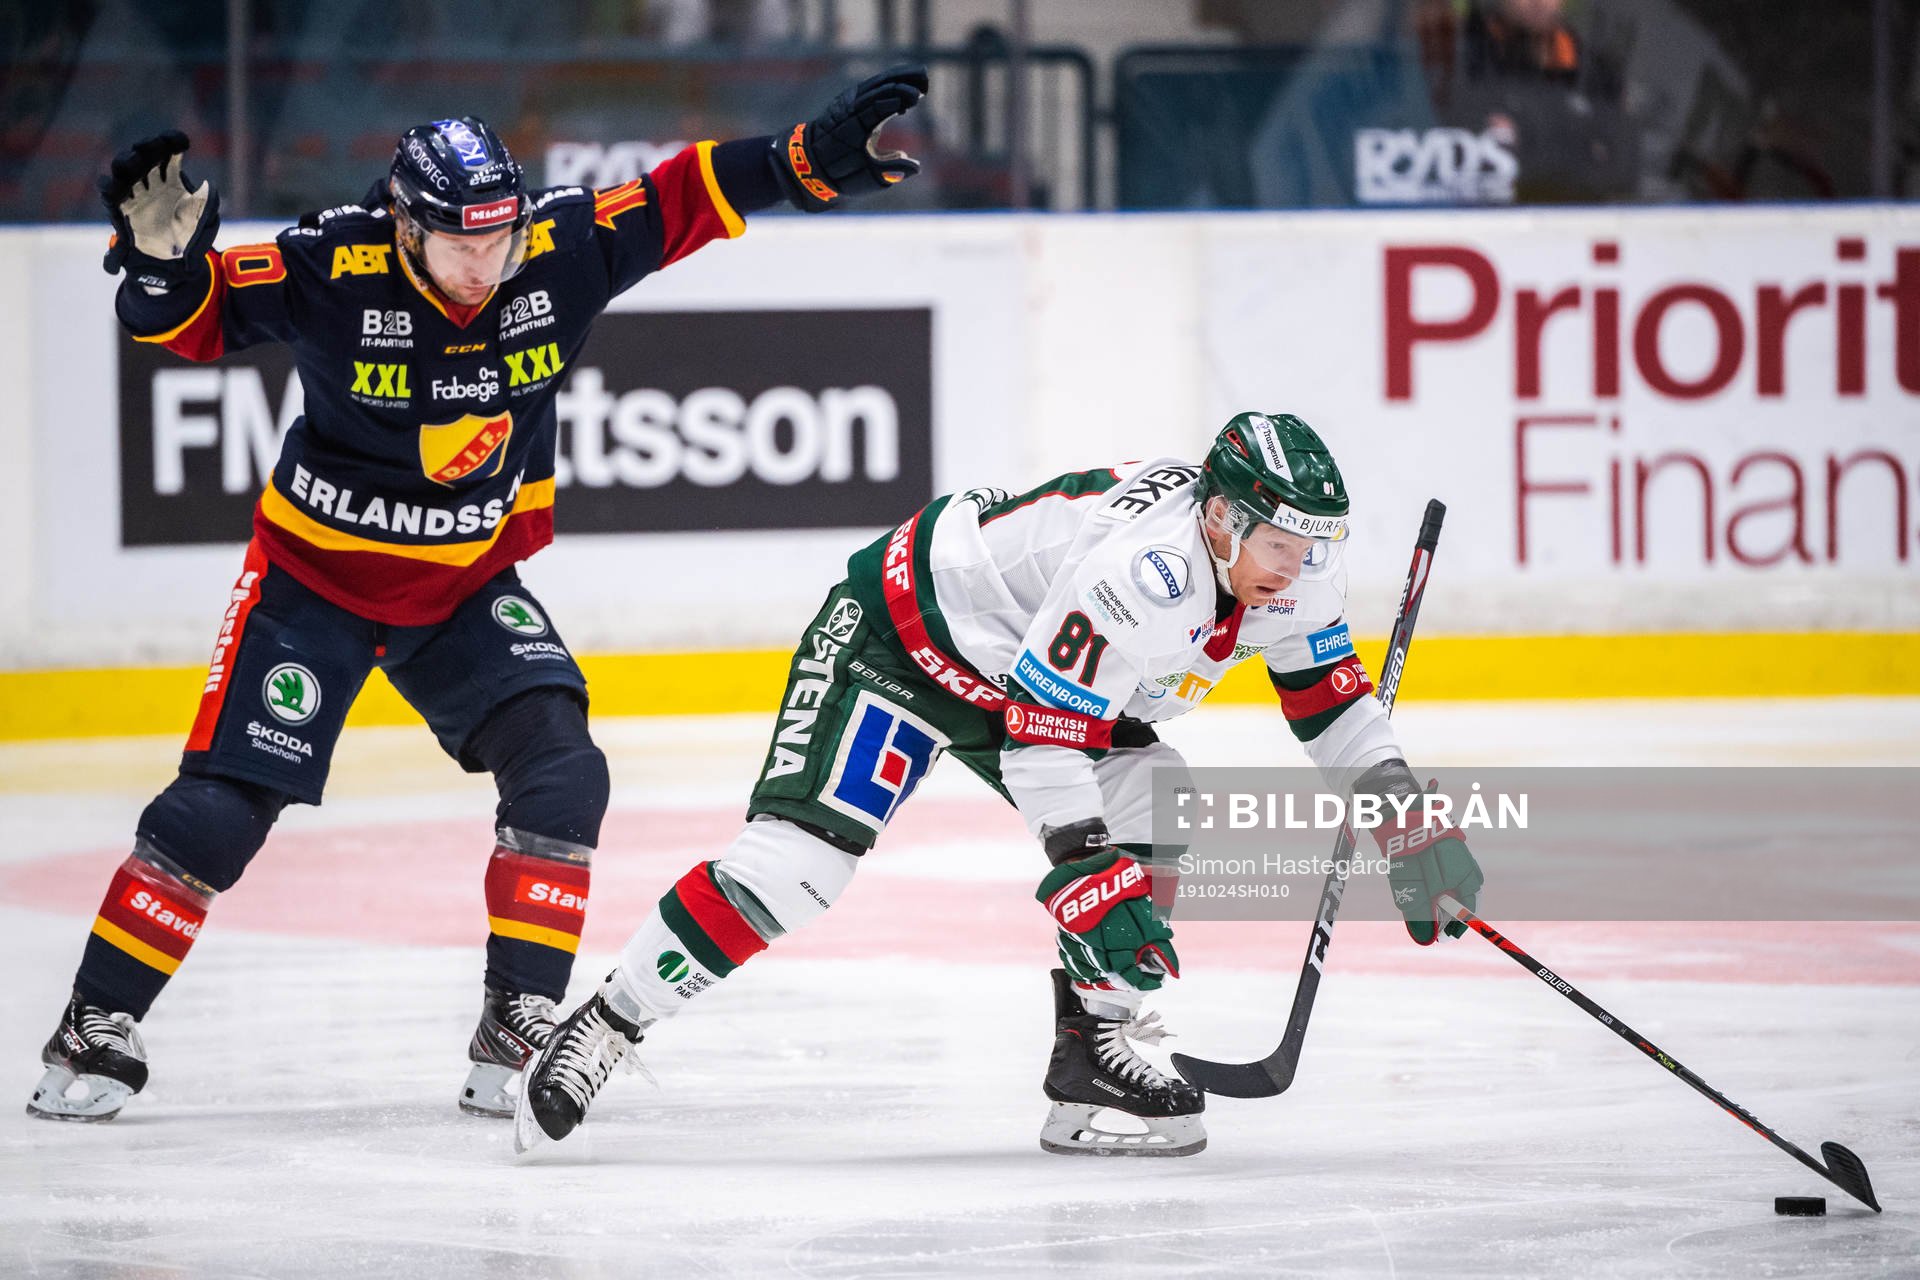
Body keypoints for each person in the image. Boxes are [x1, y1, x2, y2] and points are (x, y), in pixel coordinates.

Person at [28, 67, 930, 1123]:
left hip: (463, 586)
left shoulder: (555, 249)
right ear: (404, 225)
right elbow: (185, 325)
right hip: (313, 585)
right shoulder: (335, 263)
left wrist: (804, 162)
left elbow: (682, 198)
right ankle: (94, 1021)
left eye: (496, 241)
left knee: (563, 771)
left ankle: (516, 1021)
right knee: (221, 809)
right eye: (459, 243)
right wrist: (158, 265)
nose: (481, 265)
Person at [515, 411, 1486, 1157]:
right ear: (1222, 519)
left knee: (1156, 796)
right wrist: (1086, 872)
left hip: (1032, 677)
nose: (1303, 567)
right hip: (906, 640)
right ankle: (604, 1020)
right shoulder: (1147, 574)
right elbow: (1041, 735)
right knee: (796, 869)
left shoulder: (1294, 569)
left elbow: (1329, 702)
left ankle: (1092, 1060)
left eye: (1317, 545)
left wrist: (1405, 819)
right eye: (1283, 544)